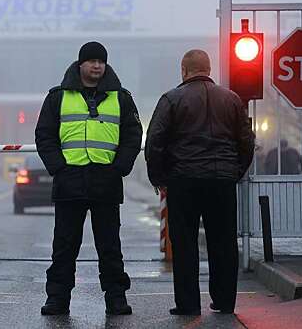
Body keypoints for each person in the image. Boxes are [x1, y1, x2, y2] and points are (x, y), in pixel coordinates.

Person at [35, 41, 143, 316]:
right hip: (69, 183)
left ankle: (116, 298)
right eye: (92, 61)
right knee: (63, 247)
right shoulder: (57, 97)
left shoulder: (121, 98)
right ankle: (57, 299)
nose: (97, 66)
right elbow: (44, 135)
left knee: (110, 247)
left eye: (101, 61)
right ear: (80, 64)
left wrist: (119, 167)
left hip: (106, 182)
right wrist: (58, 167)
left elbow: (133, 135)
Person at [145, 49, 255, 315]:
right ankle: (225, 302)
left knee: (184, 244)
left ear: (184, 70)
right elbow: (247, 142)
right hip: (221, 181)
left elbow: (155, 142)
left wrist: (159, 178)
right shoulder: (231, 99)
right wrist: (234, 171)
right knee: (224, 242)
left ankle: (188, 304)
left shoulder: (171, 99)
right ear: (208, 69)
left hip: (184, 180)